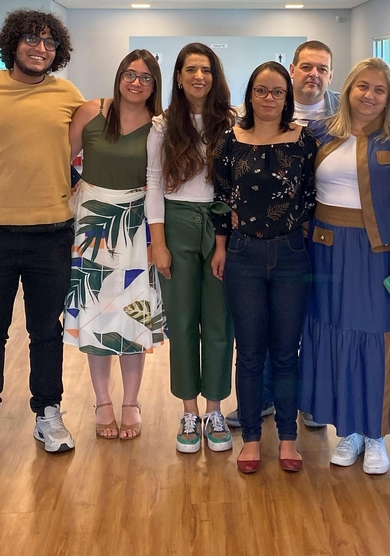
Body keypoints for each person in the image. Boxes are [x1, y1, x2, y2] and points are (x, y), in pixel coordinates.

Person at [0, 9, 85, 459]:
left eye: (49, 43)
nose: (40, 48)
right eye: (31, 39)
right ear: (12, 43)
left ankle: (48, 412)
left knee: (46, 330)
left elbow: (97, 133)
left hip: (51, 232)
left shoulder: (67, 93)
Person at [300, 58, 390, 475]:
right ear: (348, 90)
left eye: (379, 89)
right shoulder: (318, 133)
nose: (369, 96)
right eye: (363, 87)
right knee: (332, 333)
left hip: (378, 256)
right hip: (323, 251)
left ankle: (375, 433)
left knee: (377, 336)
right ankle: (348, 430)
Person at [226, 39, 338, 430]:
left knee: (303, 328)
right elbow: (224, 185)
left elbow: (316, 187)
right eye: (307, 66)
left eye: (322, 68)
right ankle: (261, 401)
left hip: (311, 239)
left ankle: (304, 401)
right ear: (293, 70)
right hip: (253, 246)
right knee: (256, 336)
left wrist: (302, 225)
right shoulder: (240, 126)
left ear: (330, 75)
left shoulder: (340, 117)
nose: (314, 74)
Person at [213, 61, 317, 473]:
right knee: (251, 352)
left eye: (277, 91)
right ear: (250, 94)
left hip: (291, 255)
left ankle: (289, 438)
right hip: (243, 255)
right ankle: (252, 438)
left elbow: (311, 195)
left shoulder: (304, 140)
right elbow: (221, 198)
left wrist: (301, 230)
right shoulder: (231, 139)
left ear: (287, 97)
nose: (269, 98)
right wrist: (221, 247)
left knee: (287, 352)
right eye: (261, 90)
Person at [65, 49, 165, 441]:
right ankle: (103, 401)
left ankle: (131, 403)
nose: (136, 82)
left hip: (137, 224)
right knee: (96, 313)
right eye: (130, 74)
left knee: (133, 315)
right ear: (119, 76)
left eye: (145, 77)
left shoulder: (160, 125)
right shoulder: (91, 111)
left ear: (155, 85)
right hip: (92, 222)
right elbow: (60, 159)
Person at [146, 43, 236, 454]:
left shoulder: (233, 122)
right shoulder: (163, 125)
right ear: (179, 78)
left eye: (206, 70)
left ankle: (215, 409)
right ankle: (188, 411)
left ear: (215, 77)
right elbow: (153, 184)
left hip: (219, 224)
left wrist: (225, 240)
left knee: (219, 323)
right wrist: (158, 243)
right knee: (182, 322)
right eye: (191, 70)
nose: (199, 76)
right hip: (176, 222)